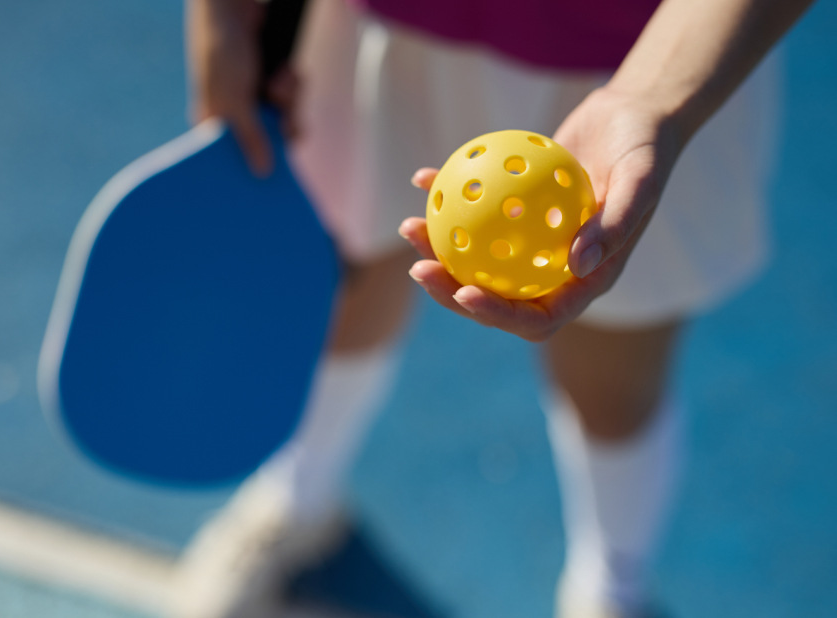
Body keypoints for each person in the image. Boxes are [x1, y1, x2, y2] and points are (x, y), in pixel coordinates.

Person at [171, 1, 813, 617]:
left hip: (656, 48)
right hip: (376, 20)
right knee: (344, 290)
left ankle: (612, 590)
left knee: (613, 379)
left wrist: (647, 100)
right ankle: (298, 499)